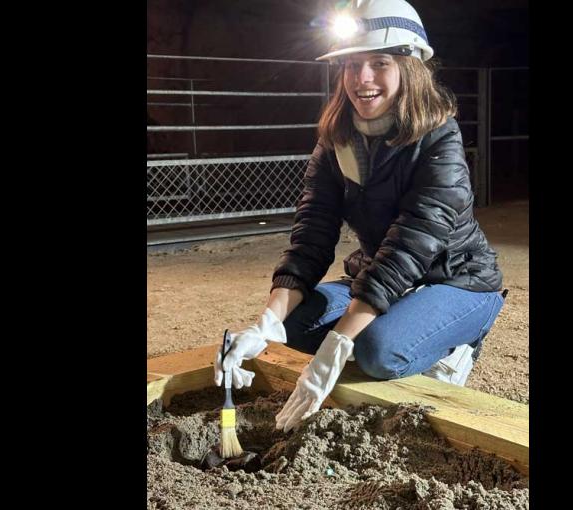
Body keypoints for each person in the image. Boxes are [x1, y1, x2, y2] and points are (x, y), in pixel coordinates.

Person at [214, 0, 505, 433]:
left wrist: (341, 340)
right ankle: (379, 322)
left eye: (379, 63)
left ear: (410, 67)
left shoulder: (439, 139)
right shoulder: (337, 141)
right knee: (292, 329)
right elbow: (312, 234)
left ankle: (459, 340)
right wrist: (267, 323)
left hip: (455, 279)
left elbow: (410, 246)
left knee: (376, 352)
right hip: (382, 276)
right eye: (352, 65)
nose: (361, 79)